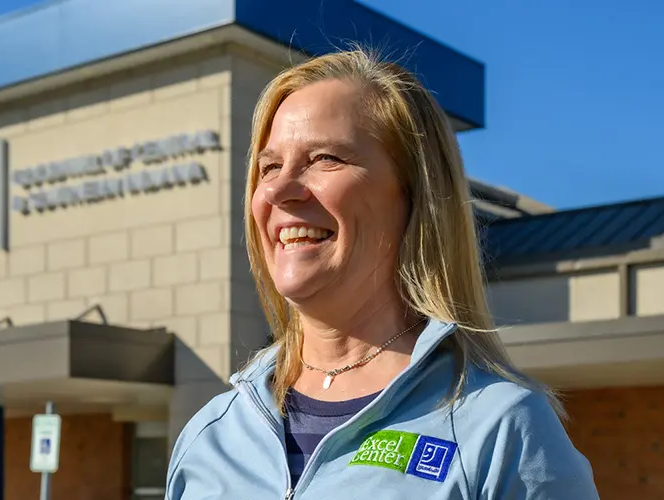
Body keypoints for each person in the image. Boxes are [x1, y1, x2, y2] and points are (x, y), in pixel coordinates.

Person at [165, 48, 600, 499]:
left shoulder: (500, 427)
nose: (277, 190)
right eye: (269, 166)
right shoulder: (210, 435)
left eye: (325, 158)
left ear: (415, 195)